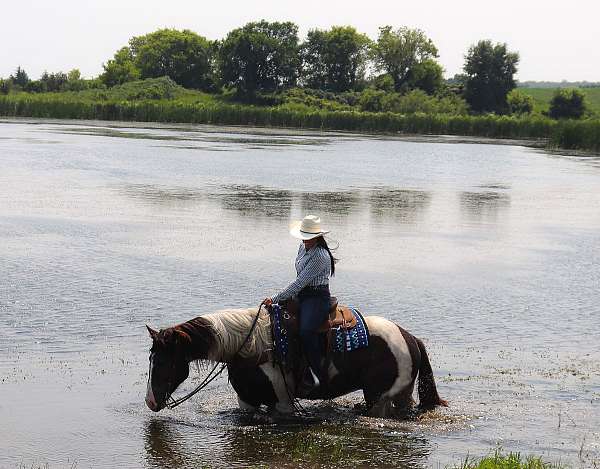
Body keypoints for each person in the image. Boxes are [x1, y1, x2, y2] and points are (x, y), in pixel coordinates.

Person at [264, 215, 337, 392]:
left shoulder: (321, 256)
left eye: (308, 237)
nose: (304, 240)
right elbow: (298, 281)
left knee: (305, 331)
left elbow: (299, 283)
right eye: (303, 237)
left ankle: (317, 374)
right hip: (302, 295)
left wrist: (275, 298)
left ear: (317, 236)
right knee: (279, 321)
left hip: (316, 297)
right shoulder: (302, 247)